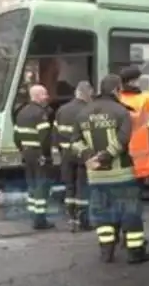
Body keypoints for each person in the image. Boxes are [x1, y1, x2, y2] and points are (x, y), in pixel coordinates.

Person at [72, 74, 149, 264]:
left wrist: (89, 157)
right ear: (117, 89)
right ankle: (135, 253)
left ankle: (106, 252)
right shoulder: (120, 111)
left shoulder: (83, 113)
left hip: (96, 176)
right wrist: (105, 156)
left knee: (102, 213)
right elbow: (123, 140)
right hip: (122, 175)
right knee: (130, 213)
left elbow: (74, 141)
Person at [13, 84, 55, 230]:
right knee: (41, 186)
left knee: (31, 184)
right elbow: (44, 138)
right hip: (38, 154)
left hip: (26, 152)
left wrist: (22, 150)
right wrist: (46, 155)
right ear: (37, 96)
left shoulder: (21, 112)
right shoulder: (40, 113)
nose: (47, 97)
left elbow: (16, 137)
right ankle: (40, 220)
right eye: (44, 94)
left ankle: (33, 215)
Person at [54, 80, 93, 231]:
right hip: (83, 153)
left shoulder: (62, 110)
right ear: (87, 93)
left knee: (69, 186)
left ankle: (71, 217)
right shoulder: (89, 110)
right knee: (82, 186)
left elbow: (55, 133)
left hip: (66, 153)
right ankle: (83, 220)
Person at [117, 67, 149, 187]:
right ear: (132, 82)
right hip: (145, 163)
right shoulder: (144, 100)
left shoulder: (117, 100)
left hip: (122, 160)